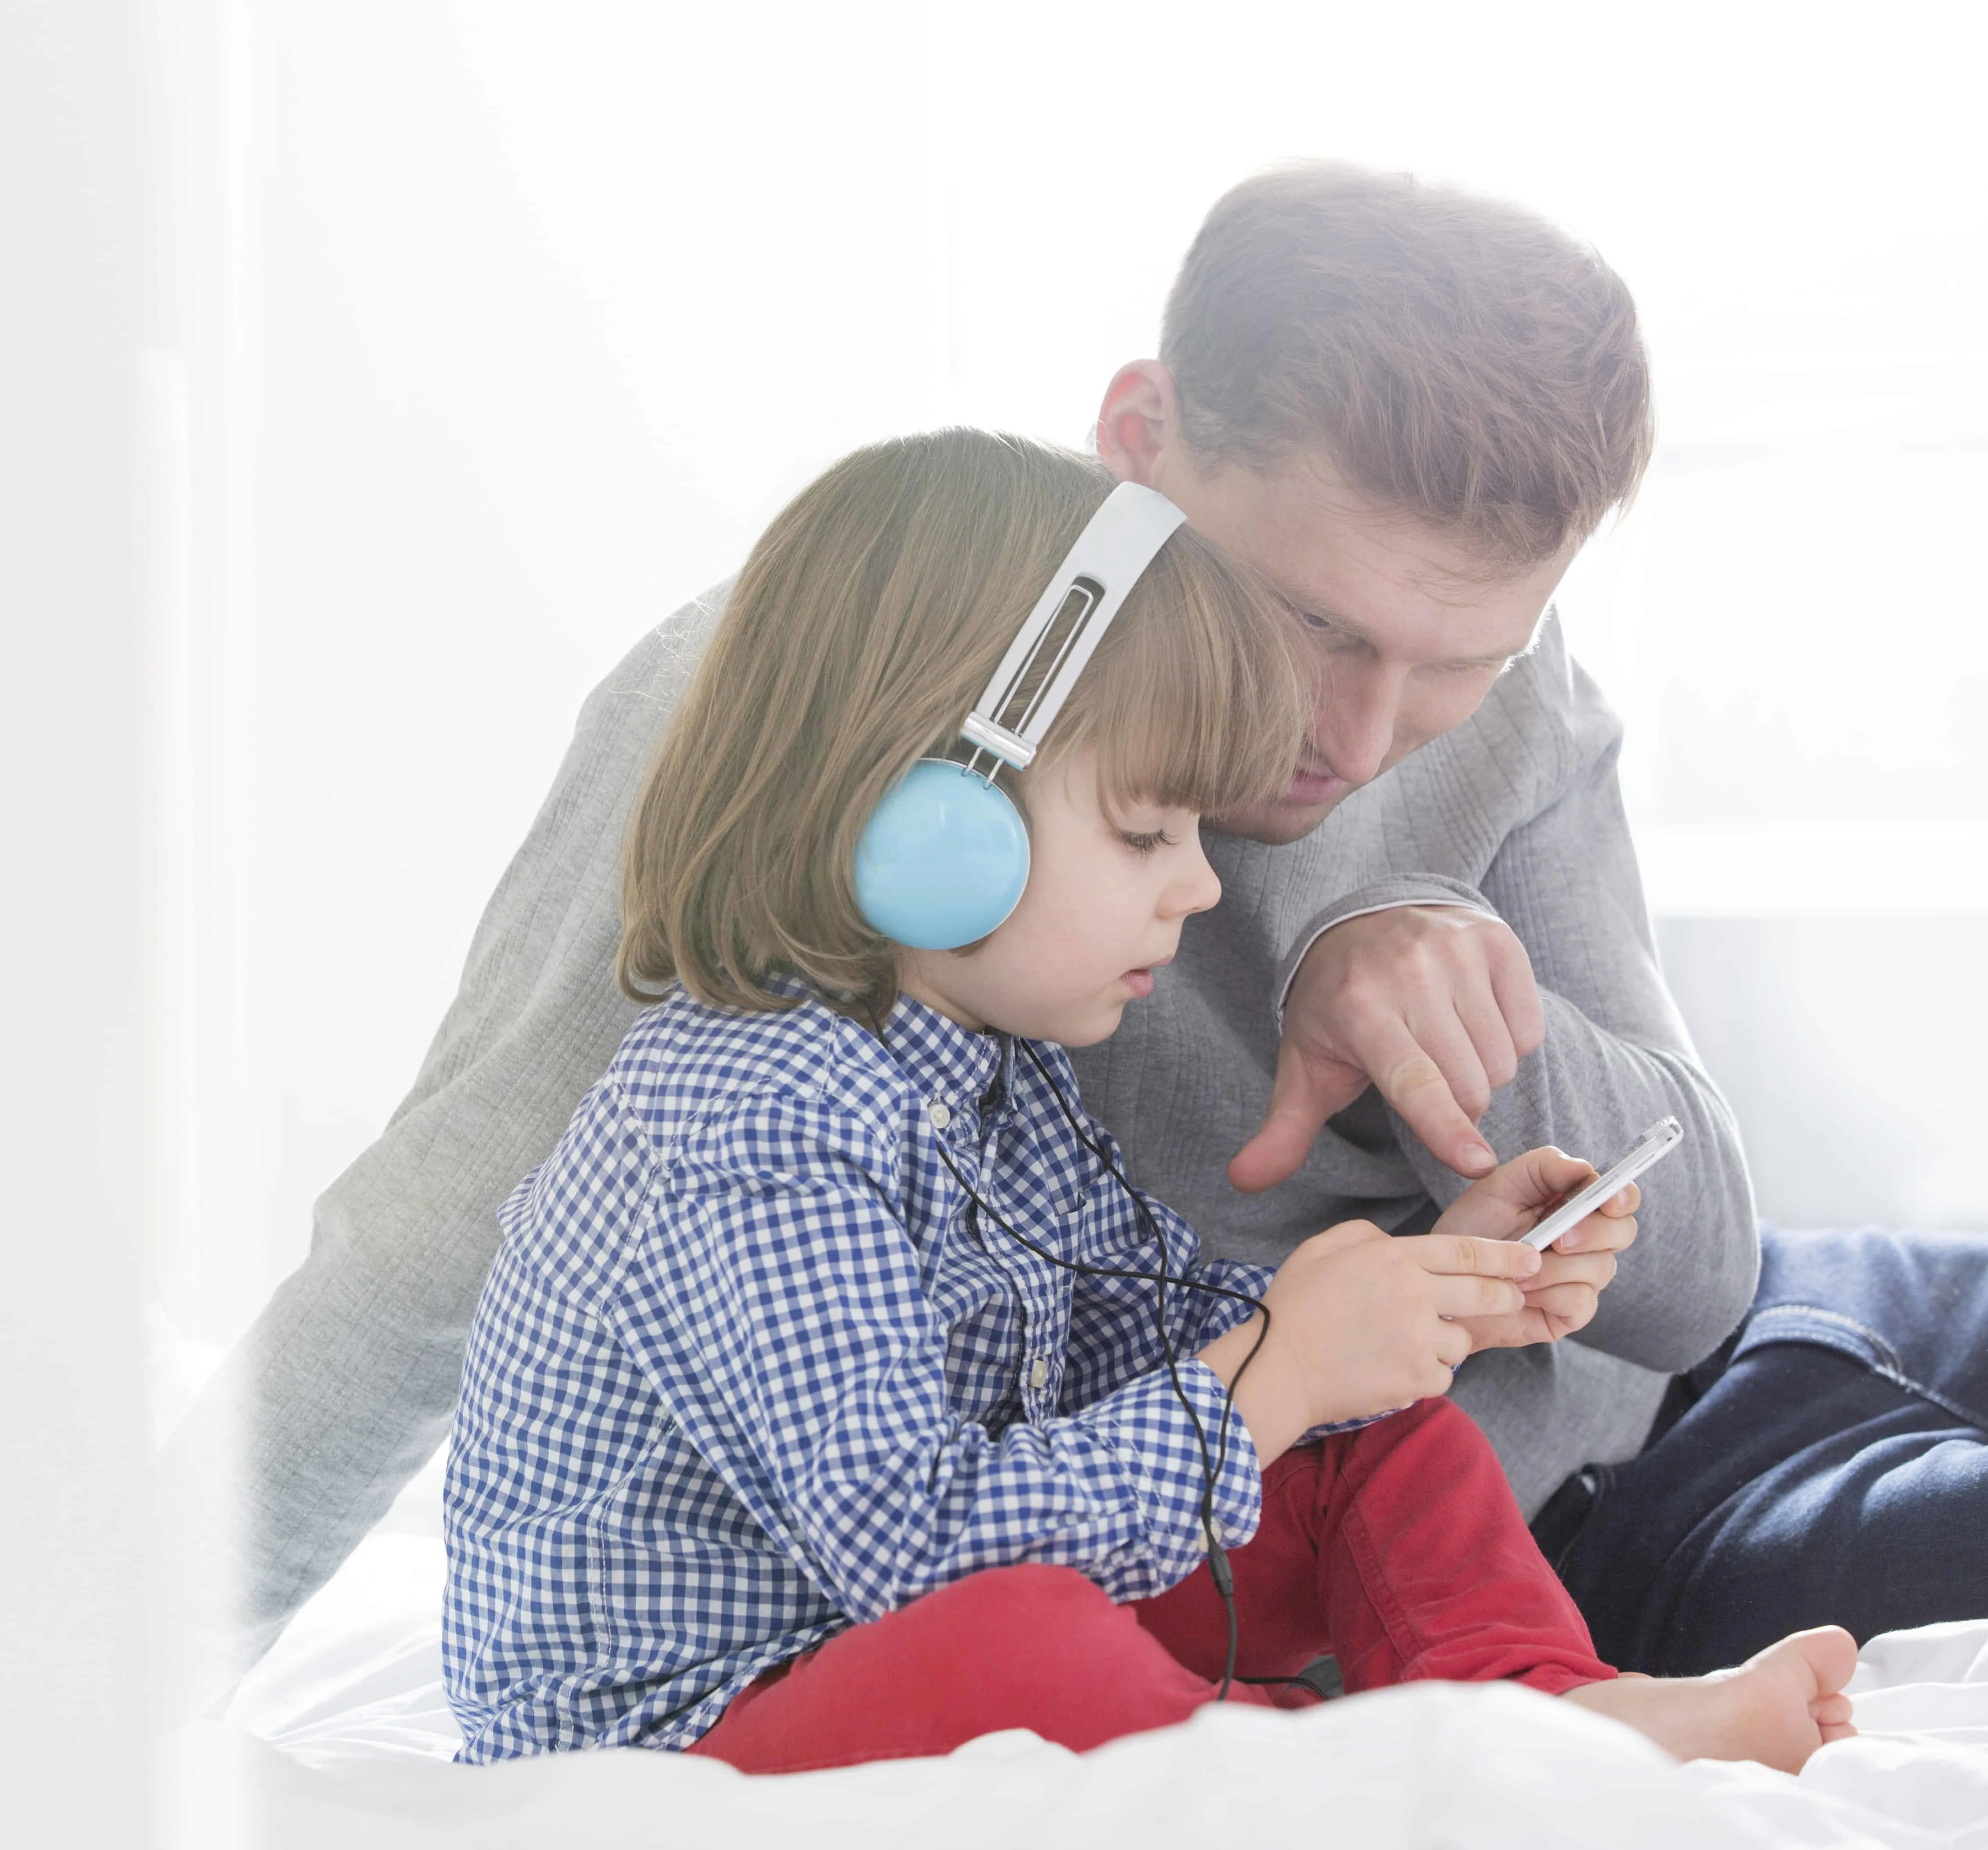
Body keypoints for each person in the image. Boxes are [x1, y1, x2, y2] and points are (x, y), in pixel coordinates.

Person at [160, 161, 1972, 1703]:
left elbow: (1702, 1270)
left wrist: (1417, 976)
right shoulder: (815, 717)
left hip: (1697, 1392)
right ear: (1137, 443)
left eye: (1456, 668)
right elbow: (431, 1241)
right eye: (1310, 626)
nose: (1355, 744)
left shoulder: (1504, 698)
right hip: (1456, 1547)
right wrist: (69, 1702)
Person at [439, 430, 1854, 1772]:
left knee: (1376, 1441)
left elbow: (1136, 1326)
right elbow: (915, 1544)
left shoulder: (991, 1068)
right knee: (1027, 1639)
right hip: (698, 1719)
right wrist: (1277, 1370)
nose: (1200, 882)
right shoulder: (753, 1117)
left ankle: (1544, 1711)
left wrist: (1403, 1296)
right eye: (1145, 830)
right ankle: (1359, 1769)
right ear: (939, 828)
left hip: (901, 1622)